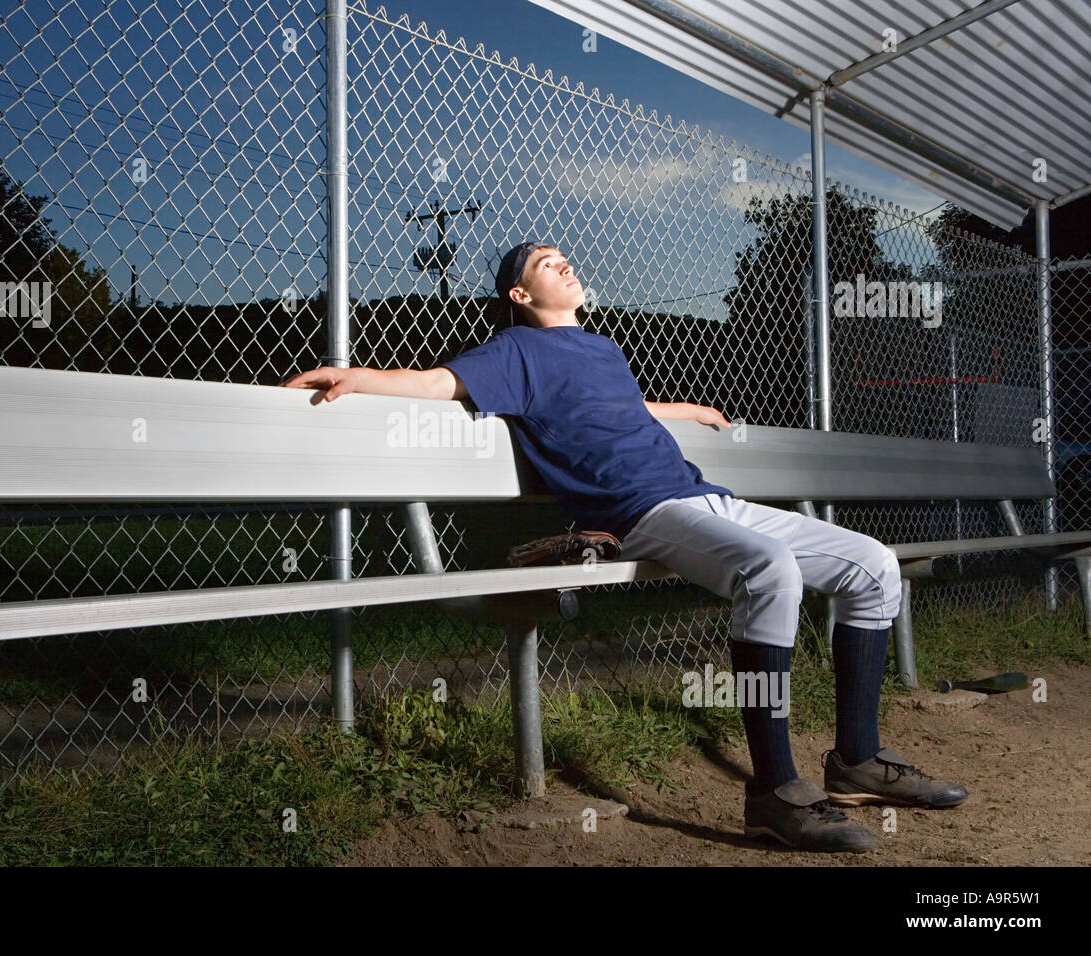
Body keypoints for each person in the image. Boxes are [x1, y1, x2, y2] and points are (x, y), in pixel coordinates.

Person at [282, 240, 968, 853]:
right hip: (641, 512)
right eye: (544, 263)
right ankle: (776, 791)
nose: (562, 262)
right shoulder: (517, 351)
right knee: (772, 570)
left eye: (562, 255)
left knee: (874, 564)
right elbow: (439, 382)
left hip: (706, 498)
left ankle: (856, 760)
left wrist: (683, 410)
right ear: (521, 296)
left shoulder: (602, 349)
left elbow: (618, 412)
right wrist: (358, 376)